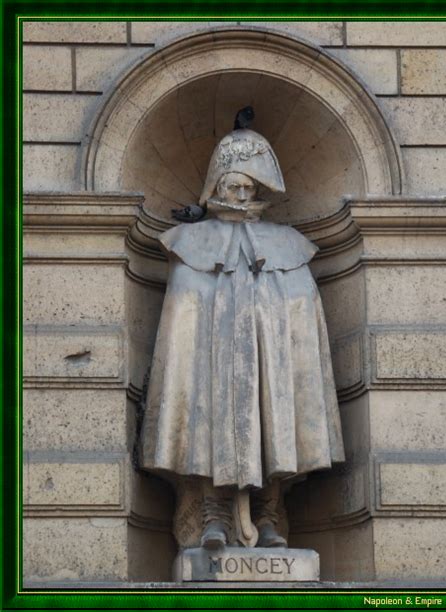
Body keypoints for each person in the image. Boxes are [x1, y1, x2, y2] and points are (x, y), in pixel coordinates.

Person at [140, 128, 345, 550]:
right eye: (233, 185)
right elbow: (184, 314)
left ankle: (268, 517)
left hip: (271, 366)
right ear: (216, 185)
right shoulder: (189, 243)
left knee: (274, 430)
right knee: (206, 434)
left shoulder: (286, 244)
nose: (240, 193)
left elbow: (301, 312)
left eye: (247, 186)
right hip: (211, 365)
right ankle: (212, 515)